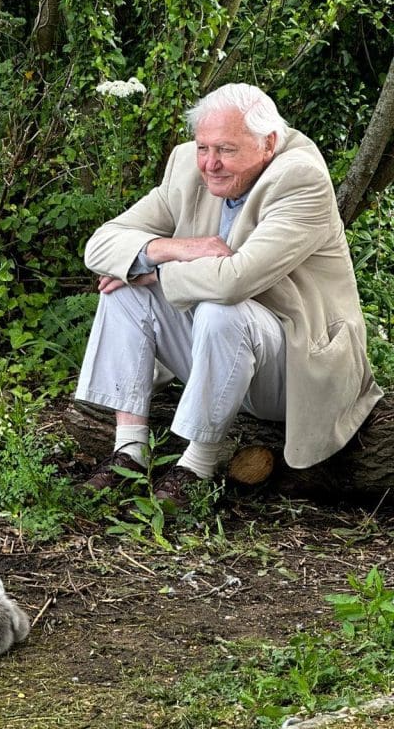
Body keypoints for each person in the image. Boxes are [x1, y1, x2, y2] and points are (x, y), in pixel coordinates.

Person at [75, 83, 383, 506]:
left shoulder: (300, 178)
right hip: (226, 347)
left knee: (223, 310)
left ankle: (197, 466)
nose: (211, 164)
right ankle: (129, 452)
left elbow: (235, 280)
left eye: (226, 150)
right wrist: (174, 249)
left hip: (296, 363)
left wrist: (156, 273)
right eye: (204, 147)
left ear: (268, 143)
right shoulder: (187, 165)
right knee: (122, 293)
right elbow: (99, 247)